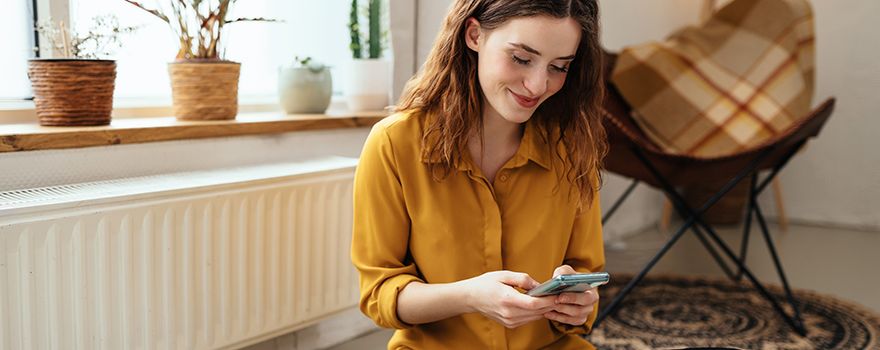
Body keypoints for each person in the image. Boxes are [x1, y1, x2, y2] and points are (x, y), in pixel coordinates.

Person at [351, 0, 607, 348]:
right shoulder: (395, 144)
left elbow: (585, 275)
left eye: (559, 67)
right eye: (521, 58)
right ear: (474, 35)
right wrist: (469, 296)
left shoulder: (571, 149)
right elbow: (380, 294)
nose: (537, 85)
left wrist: (579, 301)